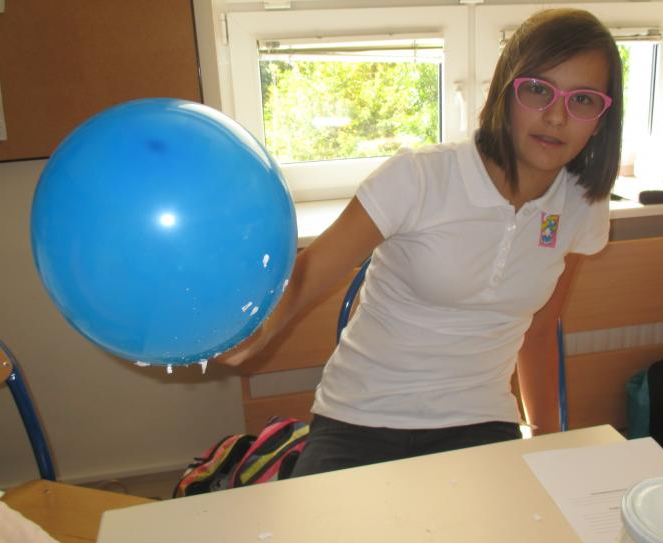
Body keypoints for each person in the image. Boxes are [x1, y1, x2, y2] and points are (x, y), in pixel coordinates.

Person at [214, 7, 623, 477]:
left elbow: (540, 328)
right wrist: (258, 332)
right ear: (506, 91)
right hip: (359, 414)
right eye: (537, 90)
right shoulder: (418, 177)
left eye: (583, 99)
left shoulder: (582, 204)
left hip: (480, 418)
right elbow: (307, 275)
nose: (555, 117)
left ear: (602, 118)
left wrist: (547, 439)